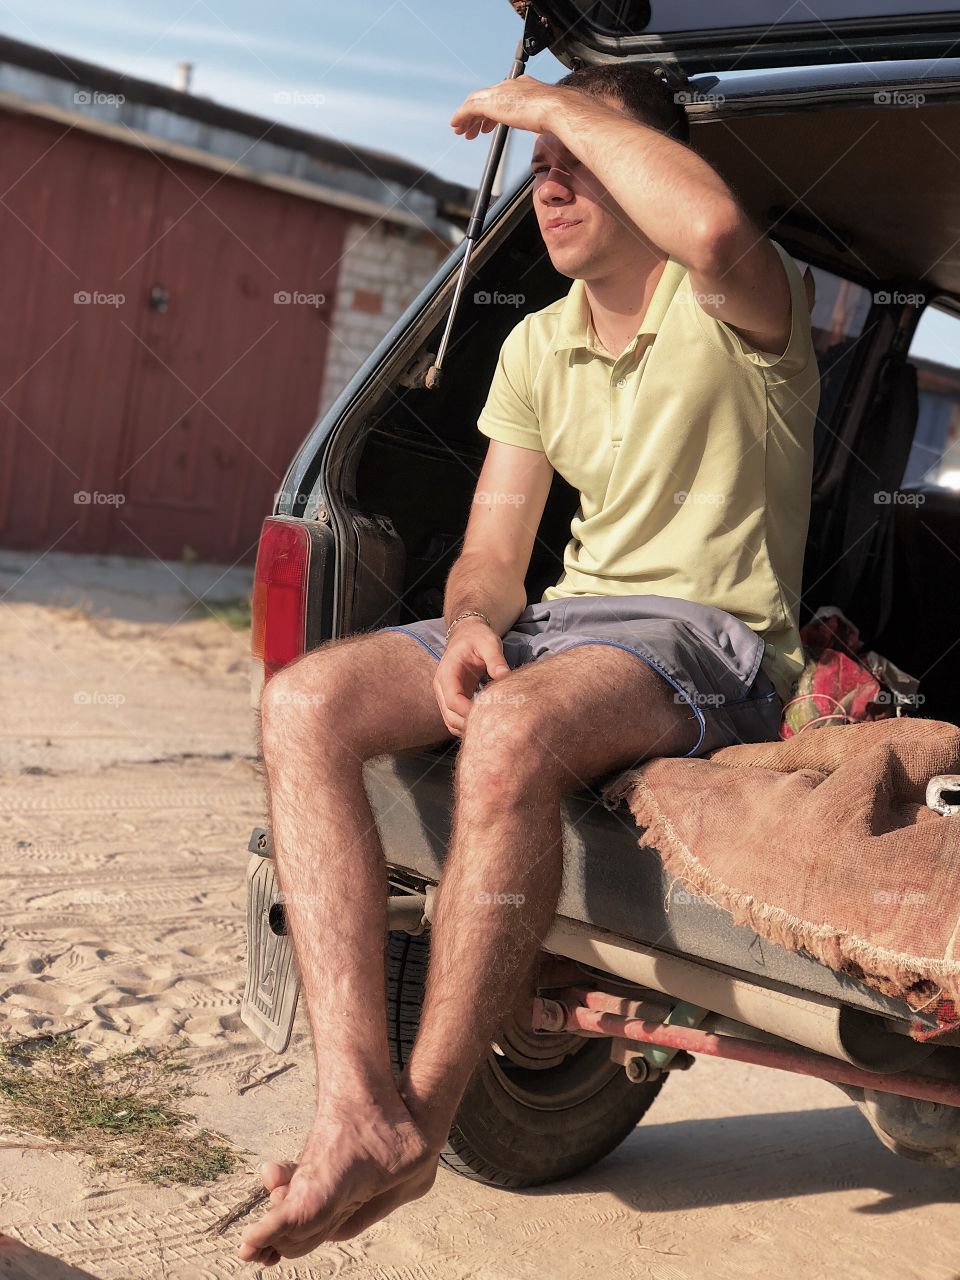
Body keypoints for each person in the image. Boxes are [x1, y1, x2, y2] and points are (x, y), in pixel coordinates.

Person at [240, 63, 820, 1267]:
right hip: (571, 623)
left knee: (510, 732)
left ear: (637, 168)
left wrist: (553, 106)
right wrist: (464, 625)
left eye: (577, 170)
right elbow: (496, 551)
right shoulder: (536, 346)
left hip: (707, 639)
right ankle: (353, 1098)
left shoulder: (744, 305)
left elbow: (710, 221)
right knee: (303, 702)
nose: (549, 194)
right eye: (538, 179)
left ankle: (424, 1117)